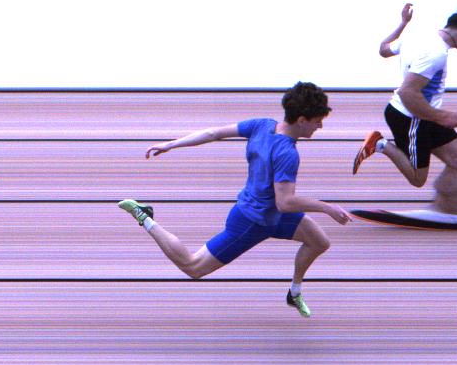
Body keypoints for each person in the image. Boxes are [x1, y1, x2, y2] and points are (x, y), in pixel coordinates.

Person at [117, 81, 349, 317]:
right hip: (252, 221)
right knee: (193, 266)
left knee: (319, 242)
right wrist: (327, 208)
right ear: (301, 120)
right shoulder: (287, 153)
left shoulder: (262, 125)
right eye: (317, 121)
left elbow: (213, 133)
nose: (320, 126)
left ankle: (294, 293)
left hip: (274, 215)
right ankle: (145, 217)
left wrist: (171, 144)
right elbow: (285, 202)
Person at [353, 5, 457, 219]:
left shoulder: (416, 37)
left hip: (425, 115)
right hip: (410, 117)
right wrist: (448, 117)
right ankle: (380, 144)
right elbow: (407, 93)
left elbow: (384, 49)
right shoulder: (435, 53)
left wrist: (403, 24)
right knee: (417, 178)